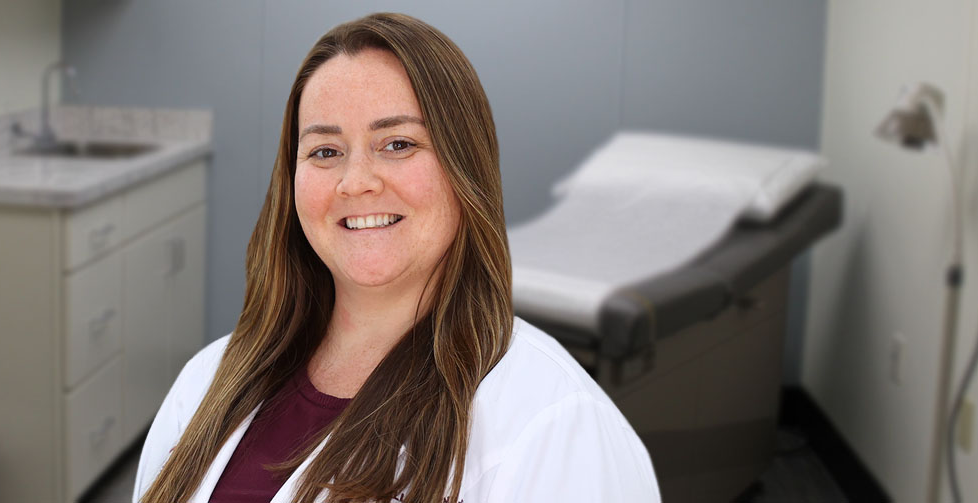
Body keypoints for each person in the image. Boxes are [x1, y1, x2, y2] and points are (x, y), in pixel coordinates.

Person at [134, 12, 659, 503]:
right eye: (324, 151)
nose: (356, 182)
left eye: (398, 144)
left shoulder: (556, 421)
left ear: (465, 166)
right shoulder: (210, 379)